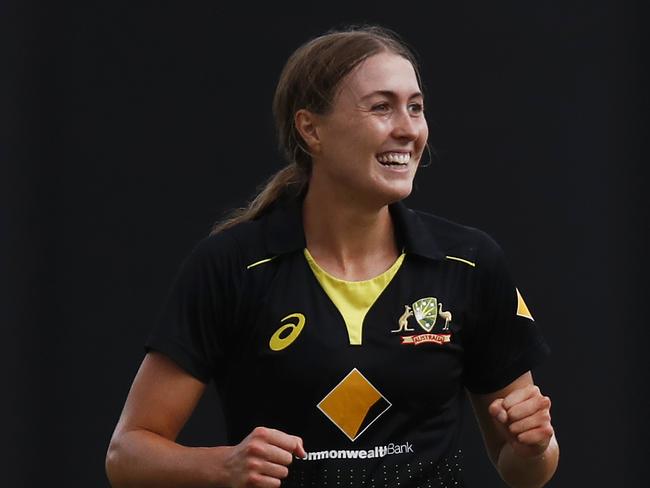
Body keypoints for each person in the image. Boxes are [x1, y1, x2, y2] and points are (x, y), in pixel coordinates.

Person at [105, 25, 558, 488]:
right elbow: (127, 454)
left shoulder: (468, 262)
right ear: (311, 129)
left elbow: (524, 470)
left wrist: (534, 445)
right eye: (381, 107)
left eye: (415, 108)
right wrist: (223, 466)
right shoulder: (231, 266)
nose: (407, 129)